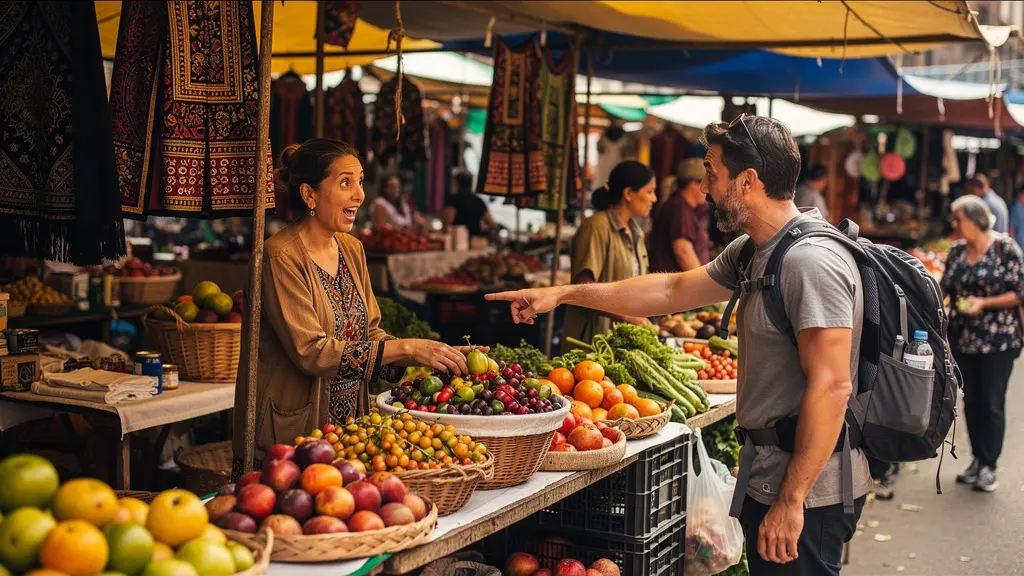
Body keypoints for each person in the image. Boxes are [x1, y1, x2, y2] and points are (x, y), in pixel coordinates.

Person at [488, 115, 867, 574]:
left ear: (747, 180)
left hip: (809, 493)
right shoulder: (754, 249)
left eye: (712, 171)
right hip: (768, 475)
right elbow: (668, 293)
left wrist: (792, 500)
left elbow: (832, 387)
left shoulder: (811, 262)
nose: (704, 187)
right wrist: (565, 294)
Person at [232, 138, 479, 477]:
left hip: (350, 430)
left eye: (360, 181)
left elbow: (371, 331)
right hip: (293, 433)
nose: (359, 195)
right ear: (309, 194)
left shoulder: (351, 248)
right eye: (345, 182)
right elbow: (312, 352)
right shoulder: (280, 256)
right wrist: (407, 347)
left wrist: (429, 353)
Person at [941, 194, 1024, 493]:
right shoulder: (957, 252)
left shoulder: (1005, 249)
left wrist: (984, 303)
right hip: (964, 340)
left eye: (959, 218)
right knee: (971, 401)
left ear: (976, 220)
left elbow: (1019, 292)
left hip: (998, 341)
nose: (955, 224)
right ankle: (977, 458)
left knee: (991, 401)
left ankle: (990, 464)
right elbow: (944, 288)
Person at [563, 160, 657, 351]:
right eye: (649, 191)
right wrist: (626, 316)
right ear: (629, 193)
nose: (654, 198)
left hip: (620, 343)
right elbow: (583, 289)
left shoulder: (636, 233)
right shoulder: (596, 227)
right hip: (591, 342)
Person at [649, 158, 710, 273]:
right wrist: (702, 281)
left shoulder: (681, 207)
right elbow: (682, 250)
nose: (709, 189)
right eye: (707, 183)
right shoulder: (680, 208)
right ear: (693, 185)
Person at [443, 169, 494, 237]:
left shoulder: (453, 199)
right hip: (475, 239)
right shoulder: (478, 200)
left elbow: (449, 220)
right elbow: (491, 223)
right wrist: (482, 231)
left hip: (458, 239)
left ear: (457, 183)